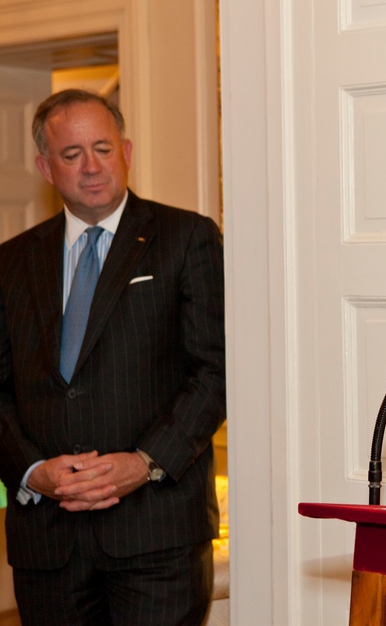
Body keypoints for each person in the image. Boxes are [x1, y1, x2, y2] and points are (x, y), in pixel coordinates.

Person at [0, 89, 226, 625]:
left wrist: (143, 464)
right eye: (72, 154)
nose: (92, 166)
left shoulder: (186, 238)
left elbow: (215, 371)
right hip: (47, 547)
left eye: (102, 148)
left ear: (125, 150)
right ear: (44, 166)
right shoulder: (11, 261)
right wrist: (31, 471)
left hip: (157, 536)